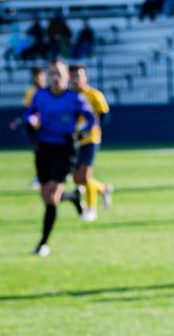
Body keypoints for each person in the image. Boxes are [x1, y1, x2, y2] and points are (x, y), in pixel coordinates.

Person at [23, 61, 94, 255]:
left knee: (52, 195)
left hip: (65, 149)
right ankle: (73, 196)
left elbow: (91, 118)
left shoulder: (74, 98)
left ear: (66, 77)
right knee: (46, 196)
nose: (55, 77)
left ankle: (43, 243)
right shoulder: (40, 95)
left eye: (59, 74)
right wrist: (30, 123)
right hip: (44, 149)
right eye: (52, 73)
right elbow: (28, 115)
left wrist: (81, 132)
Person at [68, 65, 112, 218]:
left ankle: (91, 210)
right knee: (76, 179)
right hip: (73, 141)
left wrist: (90, 126)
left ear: (85, 77)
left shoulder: (94, 95)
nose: (76, 79)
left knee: (85, 177)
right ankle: (103, 188)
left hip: (91, 139)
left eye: (78, 76)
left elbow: (104, 115)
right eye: (73, 76)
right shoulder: (68, 96)